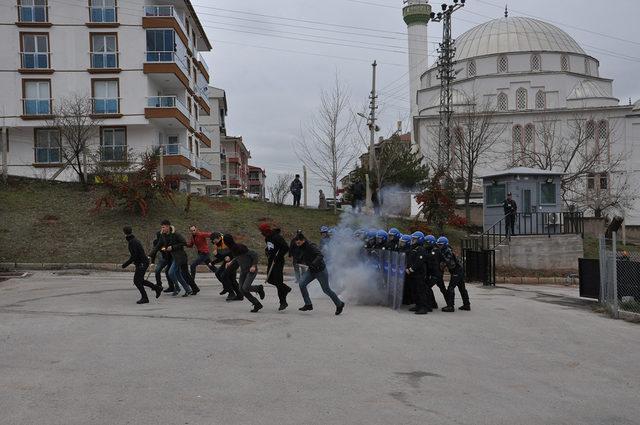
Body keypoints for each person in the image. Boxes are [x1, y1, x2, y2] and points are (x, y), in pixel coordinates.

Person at [293, 232, 345, 315]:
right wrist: (300, 260)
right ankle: (308, 304)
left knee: (326, 290)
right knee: (302, 284)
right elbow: (304, 256)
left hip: (320, 271)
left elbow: (320, 255)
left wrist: (313, 263)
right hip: (311, 271)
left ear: (303, 240)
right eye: (296, 241)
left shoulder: (311, 246)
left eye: (298, 241)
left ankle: (339, 304)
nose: (297, 243)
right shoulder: (300, 247)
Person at [121, 226, 161, 304]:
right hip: (142, 262)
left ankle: (145, 298)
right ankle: (156, 288)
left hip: (142, 263)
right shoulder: (133, 241)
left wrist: (125, 264)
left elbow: (134, 256)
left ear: (124, 233)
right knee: (140, 280)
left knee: (137, 281)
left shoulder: (132, 242)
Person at [225, 236, 265, 313]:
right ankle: (256, 303)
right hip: (243, 271)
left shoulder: (242, 249)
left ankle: (258, 288)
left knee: (245, 287)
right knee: (241, 289)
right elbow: (237, 257)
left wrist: (253, 265)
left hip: (251, 271)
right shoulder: (234, 250)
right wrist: (231, 262)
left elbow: (255, 255)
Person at [259, 223, 292, 311]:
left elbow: (285, 247)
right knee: (270, 279)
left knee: (278, 281)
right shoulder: (267, 238)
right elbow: (269, 247)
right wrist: (267, 251)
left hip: (278, 261)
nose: (261, 233)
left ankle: (283, 302)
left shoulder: (277, 237)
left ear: (266, 231)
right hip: (271, 261)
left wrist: (278, 257)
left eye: (262, 231)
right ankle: (285, 288)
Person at [437, 237, 470, 312]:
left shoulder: (448, 251)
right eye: (438, 244)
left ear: (445, 244)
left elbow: (449, 262)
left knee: (451, 288)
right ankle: (466, 304)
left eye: (441, 245)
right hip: (458, 271)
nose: (439, 246)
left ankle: (450, 306)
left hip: (456, 271)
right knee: (462, 288)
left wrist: (442, 260)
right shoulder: (445, 250)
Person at [405, 232, 429, 315]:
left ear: (420, 240)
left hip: (419, 274)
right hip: (412, 274)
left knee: (420, 291)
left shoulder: (421, 249)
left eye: (415, 239)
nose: (413, 240)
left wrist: (411, 269)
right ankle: (418, 305)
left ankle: (423, 307)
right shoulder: (413, 248)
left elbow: (419, 262)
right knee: (414, 290)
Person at [425, 234, 447, 310]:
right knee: (442, 289)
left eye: (427, 243)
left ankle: (432, 304)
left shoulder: (435, 251)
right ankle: (434, 303)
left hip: (436, 274)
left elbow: (430, 260)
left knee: (427, 287)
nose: (425, 245)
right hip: (436, 274)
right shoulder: (432, 250)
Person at [151, 227, 176, 293]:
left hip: (171, 258)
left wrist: (164, 248)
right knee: (157, 270)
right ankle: (159, 285)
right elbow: (154, 251)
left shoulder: (168, 239)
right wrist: (152, 262)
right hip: (164, 258)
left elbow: (170, 248)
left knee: (167, 271)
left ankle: (171, 286)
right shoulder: (156, 242)